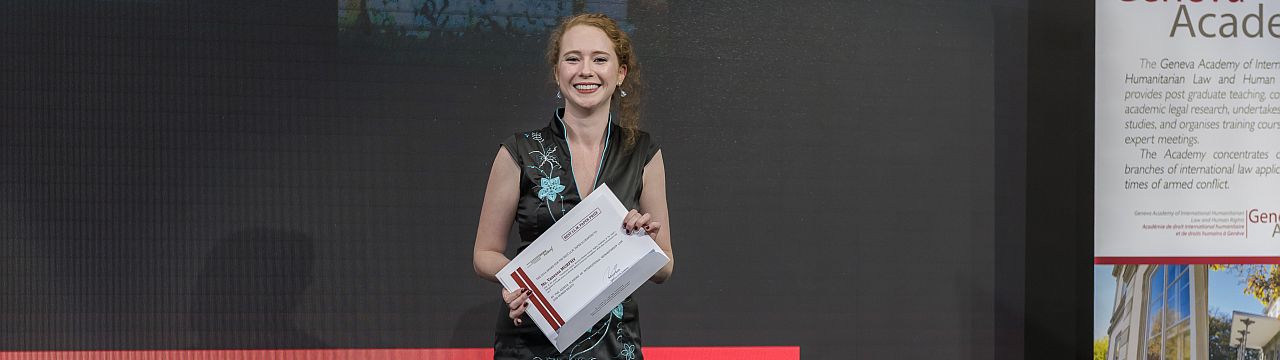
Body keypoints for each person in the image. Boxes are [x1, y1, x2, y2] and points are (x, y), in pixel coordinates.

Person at [472, 13, 675, 360]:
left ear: (620, 72)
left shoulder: (642, 152)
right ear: (557, 72)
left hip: (613, 345)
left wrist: (645, 239)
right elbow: (484, 254)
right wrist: (517, 284)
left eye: (599, 59)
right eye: (572, 58)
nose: (585, 70)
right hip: (531, 340)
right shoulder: (519, 151)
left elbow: (665, 267)